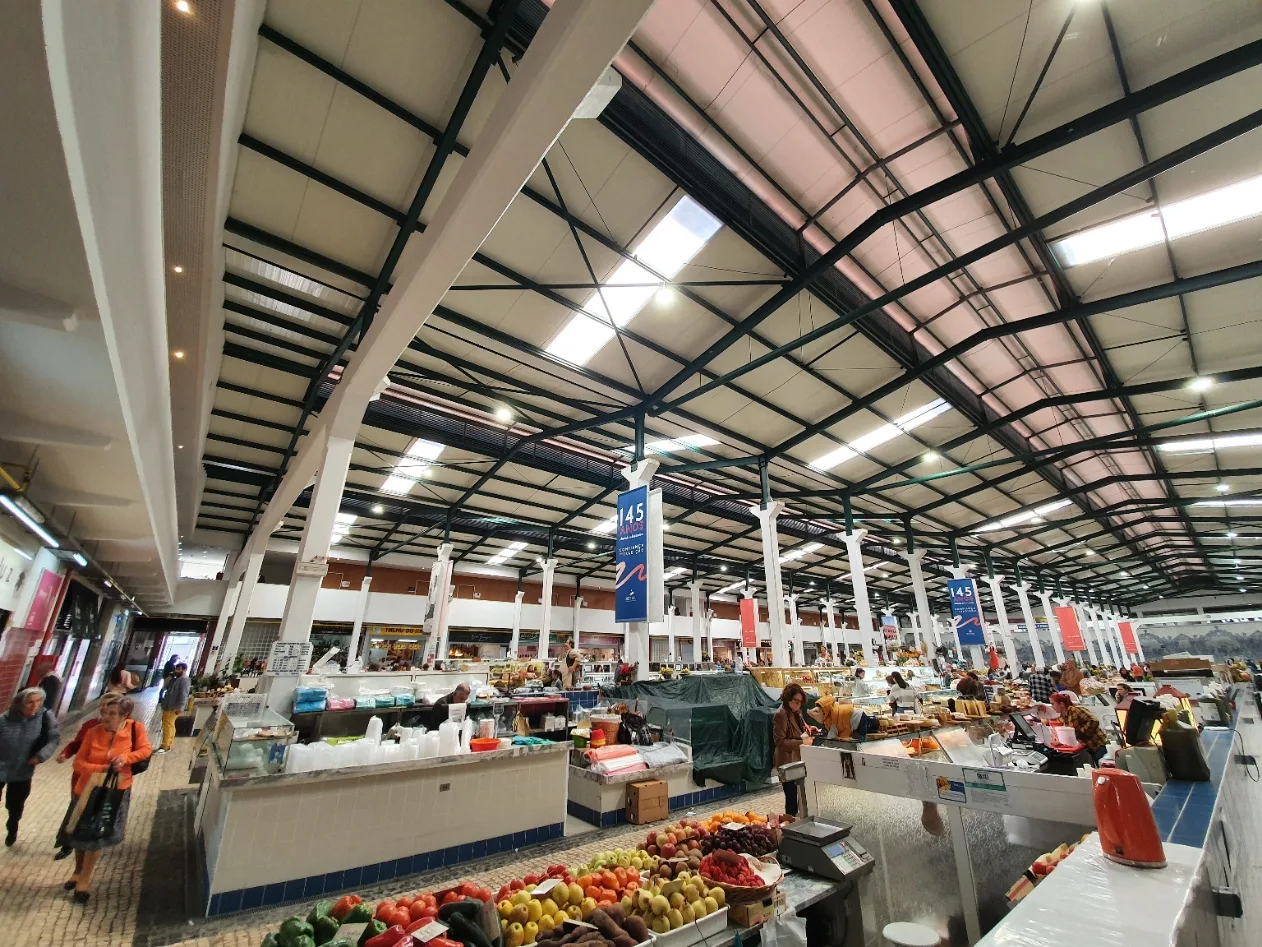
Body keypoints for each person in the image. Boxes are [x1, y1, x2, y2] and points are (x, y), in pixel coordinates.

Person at [65, 694, 151, 902]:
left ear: (124, 716)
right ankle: (77, 870)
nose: (105, 716)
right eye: (104, 711)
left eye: (112, 713)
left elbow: (146, 750)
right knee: (80, 834)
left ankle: (84, 880)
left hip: (114, 791)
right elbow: (78, 764)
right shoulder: (93, 732)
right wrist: (102, 768)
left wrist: (126, 758)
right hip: (87, 790)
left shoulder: (135, 729)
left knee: (97, 834)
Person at [53, 669, 134, 859]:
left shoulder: (128, 729)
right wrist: (65, 754)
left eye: (110, 709)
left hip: (107, 781)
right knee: (76, 809)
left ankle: (90, 847)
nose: (105, 712)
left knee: (94, 813)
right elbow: (77, 744)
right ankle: (68, 843)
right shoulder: (90, 726)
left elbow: (138, 753)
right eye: (103, 707)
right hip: (83, 777)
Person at [0, 687, 60, 846]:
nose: (35, 705)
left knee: (15, 805)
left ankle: (12, 827)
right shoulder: (4, 720)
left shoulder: (45, 717)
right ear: (19, 704)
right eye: (30, 702)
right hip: (1, 765)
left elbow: (54, 738)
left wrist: (41, 756)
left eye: (38, 701)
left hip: (23, 769)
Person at [772, 684, 813, 818]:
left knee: (801, 796)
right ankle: (790, 823)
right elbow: (780, 742)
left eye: (800, 702)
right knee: (791, 798)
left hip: (797, 759)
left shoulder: (796, 712)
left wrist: (808, 731)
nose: (799, 705)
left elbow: (799, 731)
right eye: (796, 701)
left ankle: (799, 820)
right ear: (788, 698)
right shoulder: (780, 715)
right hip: (786, 761)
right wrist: (803, 742)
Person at [1050, 691, 1107, 765]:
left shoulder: (1075, 710)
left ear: (1061, 704)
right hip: (1090, 748)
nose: (1052, 706)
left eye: (1053, 704)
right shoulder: (1062, 716)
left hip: (1098, 744)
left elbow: (1094, 721)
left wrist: (1082, 732)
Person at [808, 694, 877, 742]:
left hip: (857, 718)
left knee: (858, 739)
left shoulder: (831, 718)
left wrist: (829, 741)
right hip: (859, 714)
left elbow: (832, 735)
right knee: (863, 730)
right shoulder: (831, 709)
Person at [156, 662, 190, 754]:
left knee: (167, 725)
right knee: (169, 724)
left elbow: (184, 694)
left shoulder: (184, 680)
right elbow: (166, 688)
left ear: (184, 670)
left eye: (179, 669)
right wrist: (170, 678)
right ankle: (168, 743)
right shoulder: (176, 679)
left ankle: (165, 746)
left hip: (174, 707)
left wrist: (181, 707)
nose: (176, 671)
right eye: (176, 669)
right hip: (169, 705)